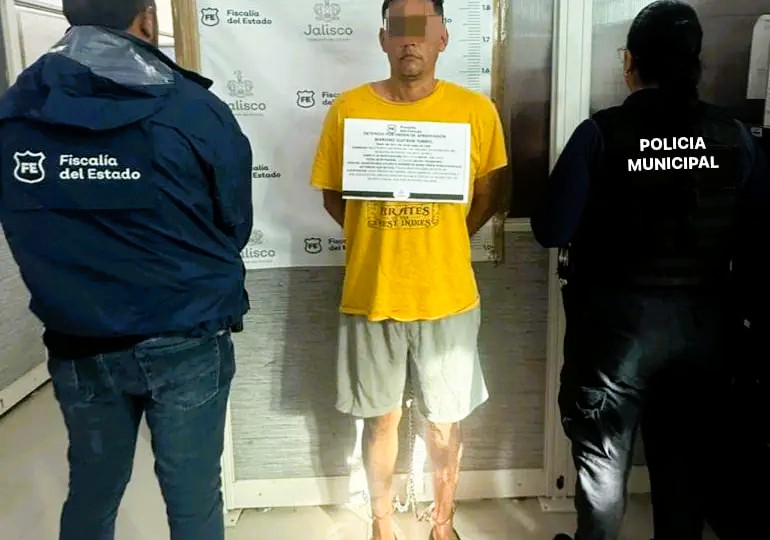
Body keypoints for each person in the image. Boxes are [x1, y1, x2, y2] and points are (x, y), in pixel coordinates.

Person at [0, 1, 252, 539]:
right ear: (147, 18)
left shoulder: (16, 111)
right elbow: (233, 225)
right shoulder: (194, 110)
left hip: (79, 338)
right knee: (193, 501)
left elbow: (22, 221)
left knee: (93, 490)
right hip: (186, 333)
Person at [530, 2, 769, 539]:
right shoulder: (734, 137)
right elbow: (760, 238)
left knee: (603, 476)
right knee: (684, 476)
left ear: (630, 62)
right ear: (696, 63)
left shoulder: (600, 134)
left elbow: (551, 228)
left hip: (614, 338)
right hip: (704, 336)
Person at [309, 0, 508, 538]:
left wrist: (444, 238)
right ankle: (381, 522)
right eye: (399, 29)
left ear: (443, 37)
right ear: (383, 39)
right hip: (372, 293)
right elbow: (333, 196)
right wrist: (378, 239)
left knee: (445, 422)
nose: (410, 40)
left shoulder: (476, 111)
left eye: (423, 28)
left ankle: (443, 522)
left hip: (448, 295)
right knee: (380, 419)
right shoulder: (348, 110)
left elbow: (488, 193)